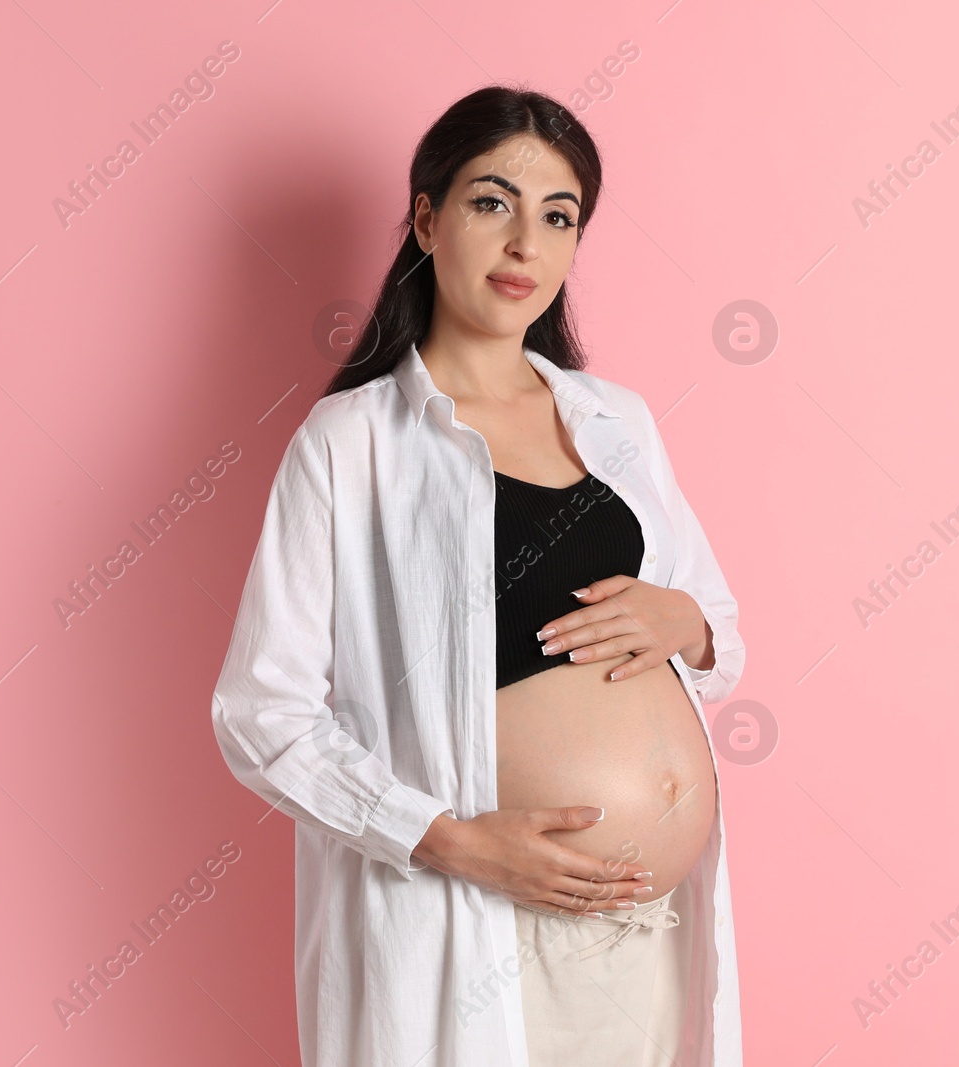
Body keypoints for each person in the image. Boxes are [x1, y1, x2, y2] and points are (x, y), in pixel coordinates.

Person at [210, 84, 746, 1067]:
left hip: (641, 937)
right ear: (426, 217)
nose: (523, 244)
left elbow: (716, 632)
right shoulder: (352, 445)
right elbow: (261, 714)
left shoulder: (617, 420)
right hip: (470, 925)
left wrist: (685, 620)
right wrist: (450, 839)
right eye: (491, 202)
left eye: (558, 216)